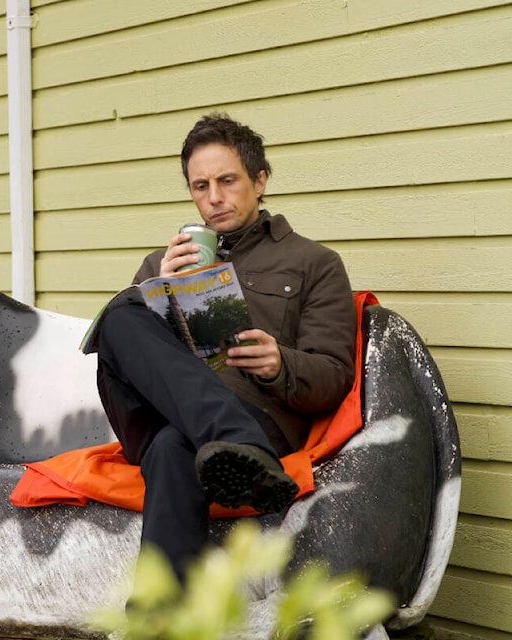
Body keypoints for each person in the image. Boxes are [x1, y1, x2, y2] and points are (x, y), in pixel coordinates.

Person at [95, 113, 357, 582]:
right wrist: (159, 288)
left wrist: (280, 364)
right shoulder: (164, 261)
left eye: (227, 180)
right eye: (199, 186)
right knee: (119, 316)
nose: (213, 198)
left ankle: (157, 626)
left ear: (260, 181)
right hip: (166, 413)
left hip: (251, 414)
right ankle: (235, 438)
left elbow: (333, 376)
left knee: (175, 446)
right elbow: (128, 354)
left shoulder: (313, 263)